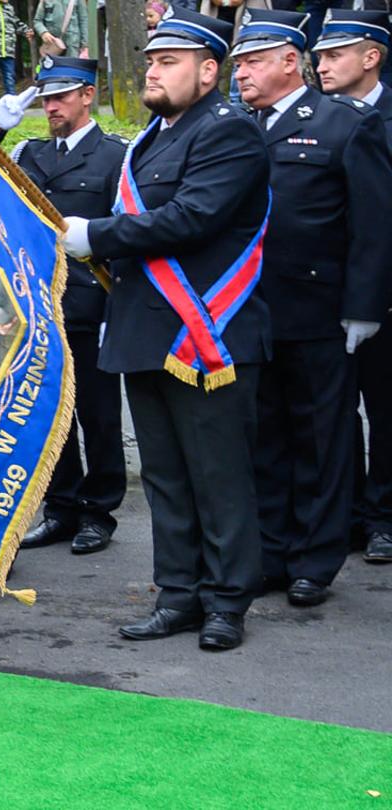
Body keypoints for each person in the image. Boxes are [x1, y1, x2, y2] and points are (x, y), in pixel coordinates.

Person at [60, 10, 271, 651]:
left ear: (210, 71)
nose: (153, 70)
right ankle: (177, 595)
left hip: (208, 335)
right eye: (150, 60)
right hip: (146, 333)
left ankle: (227, 602)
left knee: (219, 475)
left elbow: (192, 218)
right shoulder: (150, 139)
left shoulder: (229, 132)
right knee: (164, 478)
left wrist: (92, 233)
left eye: (169, 61)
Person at [230, 9, 392, 606]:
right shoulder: (237, 124)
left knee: (322, 438)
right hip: (249, 308)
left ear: (288, 62)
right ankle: (273, 551)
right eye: (238, 61)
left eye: (251, 60)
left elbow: (374, 224)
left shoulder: (343, 122)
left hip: (320, 308)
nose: (239, 71)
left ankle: (314, 562)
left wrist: (364, 307)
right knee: (265, 435)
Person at [12, 57, 131, 556]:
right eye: (45, 97)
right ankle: (59, 507)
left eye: (62, 96)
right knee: (48, 414)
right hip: (38, 305)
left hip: (91, 303)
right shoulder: (27, 153)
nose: (51, 106)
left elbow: (124, 235)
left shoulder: (116, 155)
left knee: (98, 415)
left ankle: (98, 511)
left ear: (88, 95)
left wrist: (118, 310)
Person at [317, 8, 392, 565]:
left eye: (334, 54)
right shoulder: (315, 116)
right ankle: (346, 515)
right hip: (324, 292)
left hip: (384, 292)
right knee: (333, 412)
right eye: (318, 55)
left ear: (372, 58)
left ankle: (384, 516)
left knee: (386, 411)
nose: (322, 65)